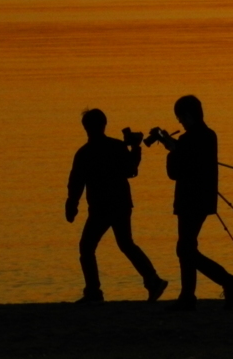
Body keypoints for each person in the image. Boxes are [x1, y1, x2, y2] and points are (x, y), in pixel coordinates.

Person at [66, 108, 167, 304]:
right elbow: (131, 170)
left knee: (87, 247)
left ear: (86, 127)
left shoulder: (85, 153)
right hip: (120, 204)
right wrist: (135, 148)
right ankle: (153, 280)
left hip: (101, 208)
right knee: (125, 244)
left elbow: (76, 182)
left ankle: (94, 292)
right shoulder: (115, 146)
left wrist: (72, 204)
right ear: (104, 125)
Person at [156, 95, 233, 311]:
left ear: (187, 116)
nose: (180, 123)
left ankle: (229, 282)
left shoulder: (188, 140)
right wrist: (175, 145)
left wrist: (171, 150)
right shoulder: (209, 136)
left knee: (185, 249)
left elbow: (175, 172)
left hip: (189, 201)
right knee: (187, 246)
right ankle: (187, 296)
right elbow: (193, 156)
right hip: (205, 199)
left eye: (180, 118)